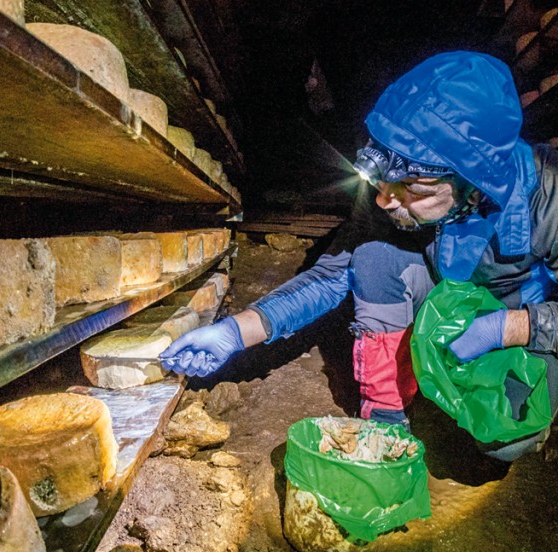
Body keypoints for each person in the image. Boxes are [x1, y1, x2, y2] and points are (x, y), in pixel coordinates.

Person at [160, 50, 558, 461]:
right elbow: (333, 275)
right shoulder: (394, 190)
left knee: (505, 438)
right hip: (446, 299)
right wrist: (236, 331)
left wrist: (511, 328)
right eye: (382, 182)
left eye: (411, 190)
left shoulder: (550, 197)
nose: (385, 199)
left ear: (473, 185)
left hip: (516, 318)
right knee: (371, 257)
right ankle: (388, 414)